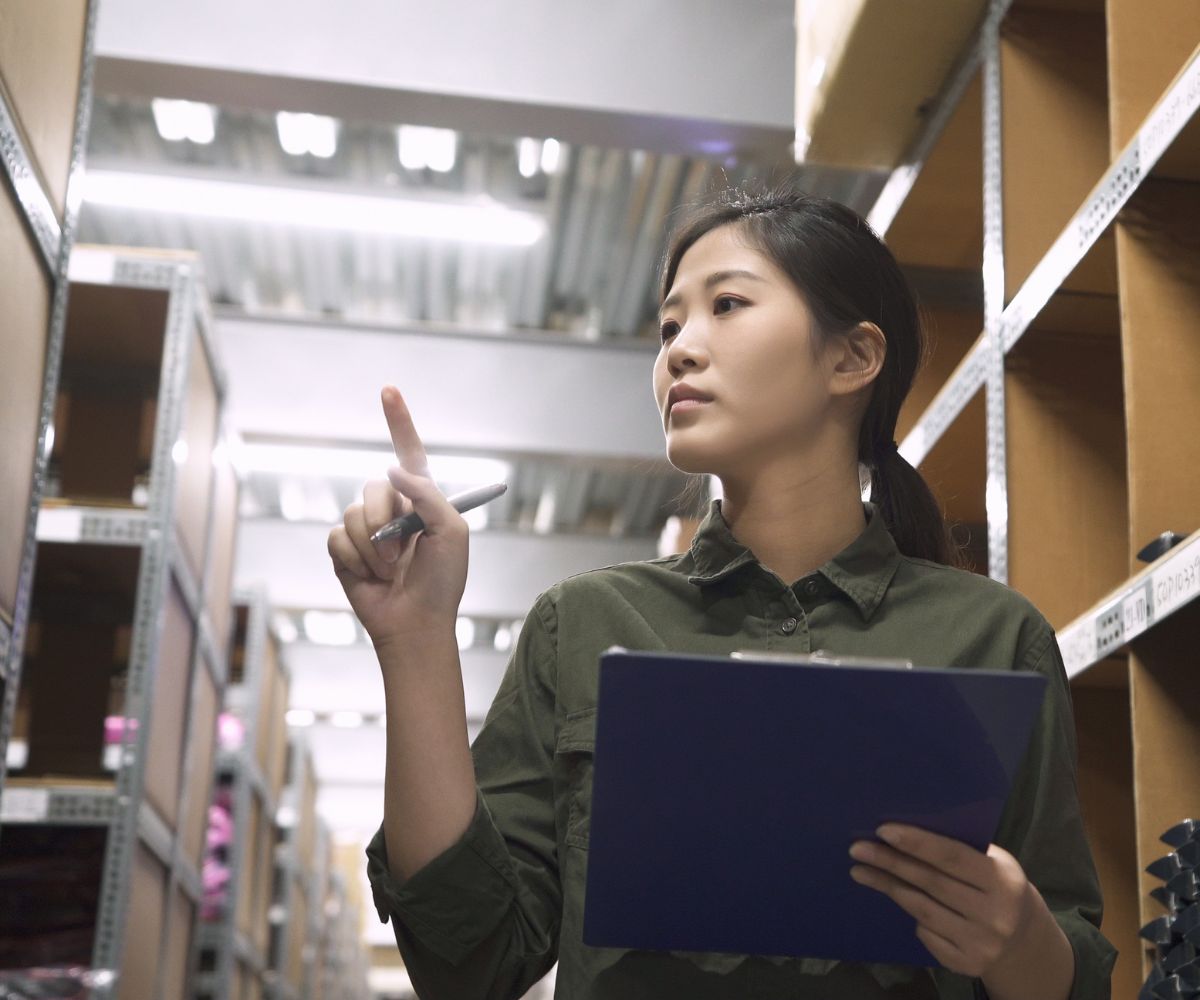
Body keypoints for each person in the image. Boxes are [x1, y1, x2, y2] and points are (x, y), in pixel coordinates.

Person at [327, 186, 1117, 999]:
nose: (678, 349)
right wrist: (414, 640)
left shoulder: (995, 637)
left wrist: (1018, 935)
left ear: (851, 358)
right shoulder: (583, 623)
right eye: (669, 326)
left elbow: (1074, 975)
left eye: (727, 304)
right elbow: (473, 965)